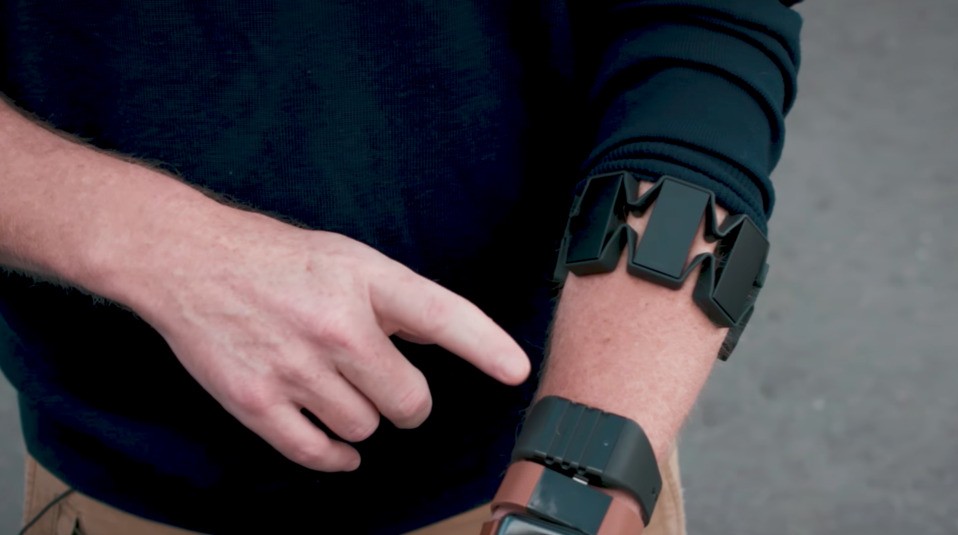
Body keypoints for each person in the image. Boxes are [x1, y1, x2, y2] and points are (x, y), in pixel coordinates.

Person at [0, 1, 802, 534]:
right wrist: (160, 243)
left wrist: (576, 484)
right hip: (131, 485)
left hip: (560, 460)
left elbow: (703, 24)